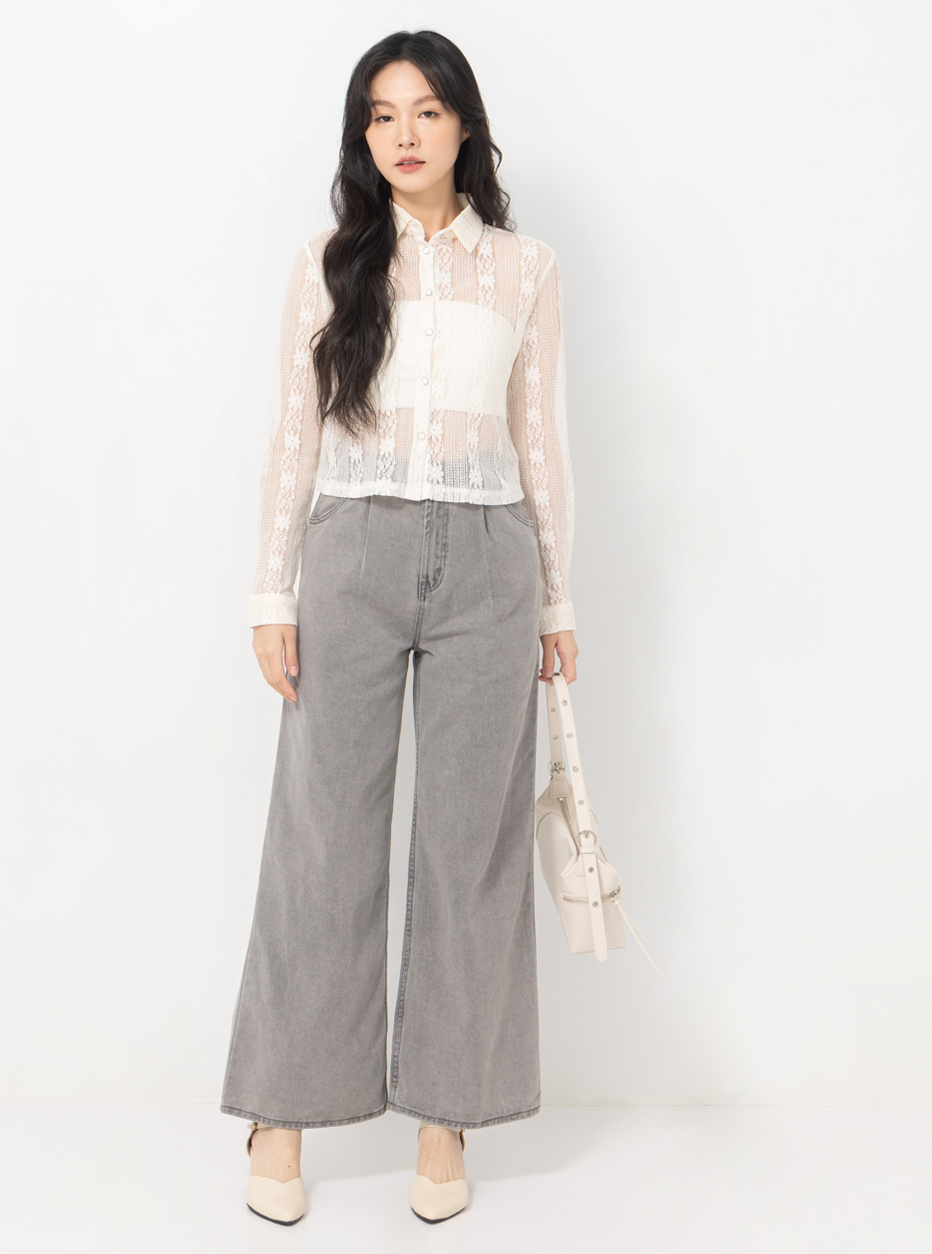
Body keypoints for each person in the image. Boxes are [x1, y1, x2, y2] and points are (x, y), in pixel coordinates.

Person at [220, 28, 579, 1225]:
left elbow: (541, 441)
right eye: (381, 116)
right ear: (361, 136)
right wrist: (272, 595)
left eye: (425, 111)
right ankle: (280, 1116)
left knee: (470, 848)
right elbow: (294, 435)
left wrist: (557, 600)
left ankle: (444, 1120)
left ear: (464, 125)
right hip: (353, 555)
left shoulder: (524, 268)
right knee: (322, 841)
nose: (404, 135)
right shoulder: (330, 262)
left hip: (488, 563)